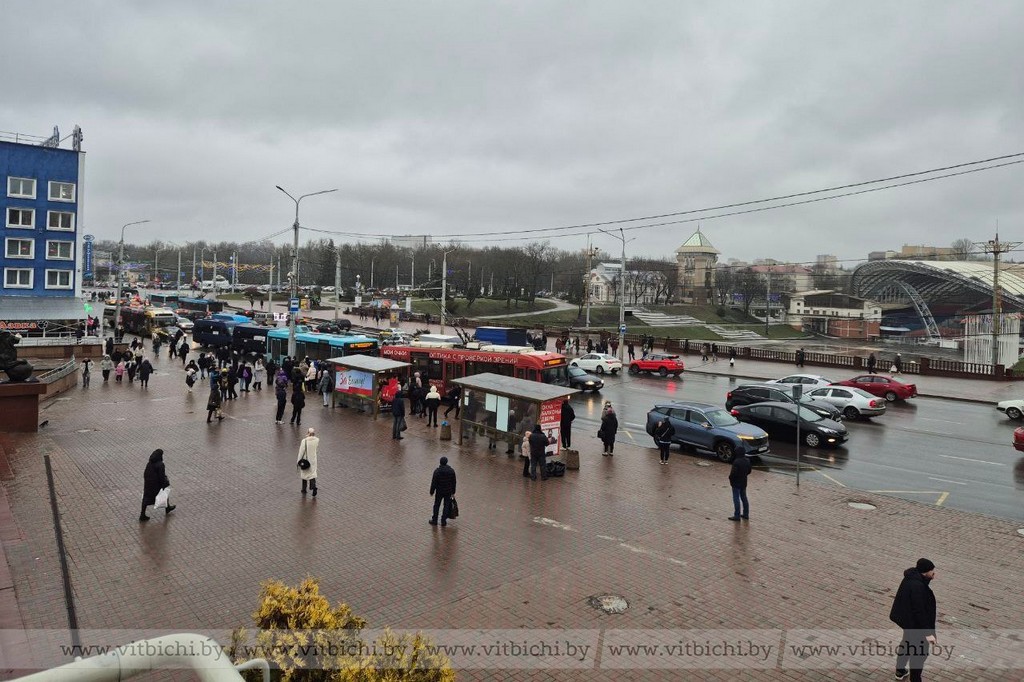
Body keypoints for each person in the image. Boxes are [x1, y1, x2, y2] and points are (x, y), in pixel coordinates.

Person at [890, 558, 937, 682]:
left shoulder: (910, 578)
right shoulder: (918, 587)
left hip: (908, 622)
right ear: (925, 572)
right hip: (916, 626)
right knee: (919, 654)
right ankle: (915, 679)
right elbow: (920, 612)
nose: (934, 573)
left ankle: (900, 670)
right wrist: (928, 633)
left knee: (906, 644)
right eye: (932, 570)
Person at [139, 449, 174, 521]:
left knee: (146, 498)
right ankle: (167, 508)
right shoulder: (160, 464)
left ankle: (142, 514)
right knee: (164, 493)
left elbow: (145, 473)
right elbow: (161, 476)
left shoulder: (149, 463)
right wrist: (164, 483)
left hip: (148, 484)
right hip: (156, 484)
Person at [428, 456, 456, 526]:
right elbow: (454, 482)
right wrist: (453, 492)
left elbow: (434, 482)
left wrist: (432, 491)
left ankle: (434, 520)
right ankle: (443, 521)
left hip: (439, 491)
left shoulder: (437, 471)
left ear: (440, 462)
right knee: (446, 506)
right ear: (446, 462)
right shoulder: (451, 471)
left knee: (437, 505)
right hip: (448, 491)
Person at [727, 444, 751, 521]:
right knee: (744, 498)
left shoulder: (736, 462)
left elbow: (733, 474)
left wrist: (730, 479)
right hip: (744, 482)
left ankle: (737, 515)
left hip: (736, 483)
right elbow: (749, 471)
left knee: (736, 499)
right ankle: (746, 514)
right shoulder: (747, 460)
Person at [297, 427, 319, 496]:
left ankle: (304, 489)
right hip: (313, 459)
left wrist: (298, 461)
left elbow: (301, 452)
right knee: (312, 474)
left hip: (305, 460)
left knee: (304, 474)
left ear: (308, 433)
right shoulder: (317, 440)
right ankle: (313, 487)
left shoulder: (304, 441)